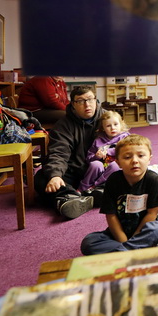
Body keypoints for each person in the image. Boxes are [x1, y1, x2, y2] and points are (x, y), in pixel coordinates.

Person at [80, 134, 158, 255]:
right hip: (118, 232)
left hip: (144, 230)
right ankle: (138, 250)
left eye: (141, 156)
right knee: (88, 243)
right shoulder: (113, 180)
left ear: (149, 159)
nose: (135, 161)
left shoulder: (154, 179)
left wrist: (134, 238)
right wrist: (125, 240)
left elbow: (152, 213)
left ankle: (124, 253)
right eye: (127, 157)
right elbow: (111, 215)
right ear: (118, 162)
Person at [33, 85, 103, 219]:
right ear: (73, 105)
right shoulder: (63, 125)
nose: (86, 104)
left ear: (96, 100)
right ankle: (70, 197)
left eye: (90, 99)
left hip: (99, 170)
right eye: (80, 101)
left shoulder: (108, 119)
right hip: (74, 171)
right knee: (41, 177)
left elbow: (124, 142)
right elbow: (59, 152)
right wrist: (55, 175)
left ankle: (91, 193)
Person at [79, 110, 131, 199]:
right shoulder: (98, 140)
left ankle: (95, 186)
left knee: (115, 165)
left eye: (115, 124)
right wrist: (96, 156)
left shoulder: (125, 137)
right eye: (108, 126)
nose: (112, 128)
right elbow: (89, 158)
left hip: (116, 167)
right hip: (102, 166)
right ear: (103, 128)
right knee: (95, 164)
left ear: (121, 125)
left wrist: (108, 151)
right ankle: (82, 189)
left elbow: (127, 150)